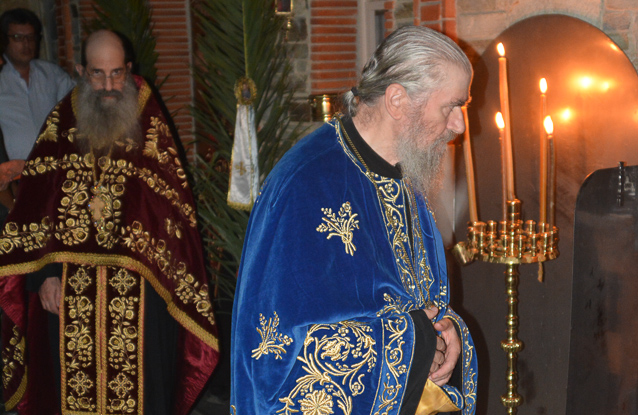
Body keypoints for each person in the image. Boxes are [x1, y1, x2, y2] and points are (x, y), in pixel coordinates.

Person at [230, 25, 477, 415]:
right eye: (451, 106)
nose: (459, 125)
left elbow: (422, 302)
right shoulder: (305, 184)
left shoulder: (404, 174)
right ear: (397, 100)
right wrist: (417, 341)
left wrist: (447, 333)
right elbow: (273, 355)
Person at [0, 30, 218, 414]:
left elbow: (171, 208)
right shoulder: (61, 122)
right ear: (82, 71)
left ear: (128, 69)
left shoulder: (150, 122)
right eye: (97, 74)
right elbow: (38, 205)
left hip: (141, 288)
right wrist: (45, 275)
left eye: (116, 73)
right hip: (69, 288)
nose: (108, 86)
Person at [0, 8, 75, 162]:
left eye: (31, 37)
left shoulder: (52, 74)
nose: (26, 44)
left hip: (53, 166)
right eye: (18, 38)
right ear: (4, 40)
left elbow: (76, 108)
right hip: (13, 171)